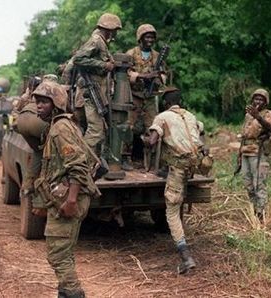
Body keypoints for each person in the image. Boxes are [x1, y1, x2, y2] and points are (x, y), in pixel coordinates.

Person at [34, 81, 100, 298]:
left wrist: (71, 200)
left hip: (69, 201)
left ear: (57, 103)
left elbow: (78, 165)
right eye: (37, 101)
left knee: (58, 256)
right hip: (63, 200)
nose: (38, 106)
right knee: (65, 254)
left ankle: (73, 293)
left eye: (44, 101)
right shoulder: (60, 126)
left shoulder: (61, 128)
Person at [147, 87, 205, 274]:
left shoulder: (162, 117)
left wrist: (146, 140)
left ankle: (185, 255)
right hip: (194, 166)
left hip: (178, 169)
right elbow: (200, 132)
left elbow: (153, 140)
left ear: (166, 104)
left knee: (171, 211)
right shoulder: (191, 116)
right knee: (179, 201)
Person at [72, 13, 122, 156]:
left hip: (98, 91)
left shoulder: (101, 42)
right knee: (95, 131)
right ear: (109, 29)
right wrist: (104, 65)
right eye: (116, 30)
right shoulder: (96, 40)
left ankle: (92, 161)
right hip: (92, 90)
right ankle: (81, 162)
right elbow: (78, 59)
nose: (116, 34)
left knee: (100, 130)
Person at [126, 24, 167, 170]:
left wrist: (158, 78)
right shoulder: (131, 54)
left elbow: (164, 74)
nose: (150, 40)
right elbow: (125, 73)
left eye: (152, 37)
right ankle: (125, 158)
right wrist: (143, 76)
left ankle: (152, 159)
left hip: (150, 97)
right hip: (134, 96)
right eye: (147, 37)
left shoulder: (157, 56)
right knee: (128, 126)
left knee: (153, 127)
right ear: (140, 38)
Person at [239, 88, 271, 222]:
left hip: (258, 152)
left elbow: (270, 129)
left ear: (266, 102)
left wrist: (258, 117)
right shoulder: (248, 115)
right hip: (246, 151)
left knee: (259, 184)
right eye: (256, 98)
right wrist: (239, 155)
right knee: (248, 184)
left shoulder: (268, 114)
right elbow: (244, 135)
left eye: (261, 99)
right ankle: (254, 211)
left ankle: (262, 214)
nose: (258, 101)